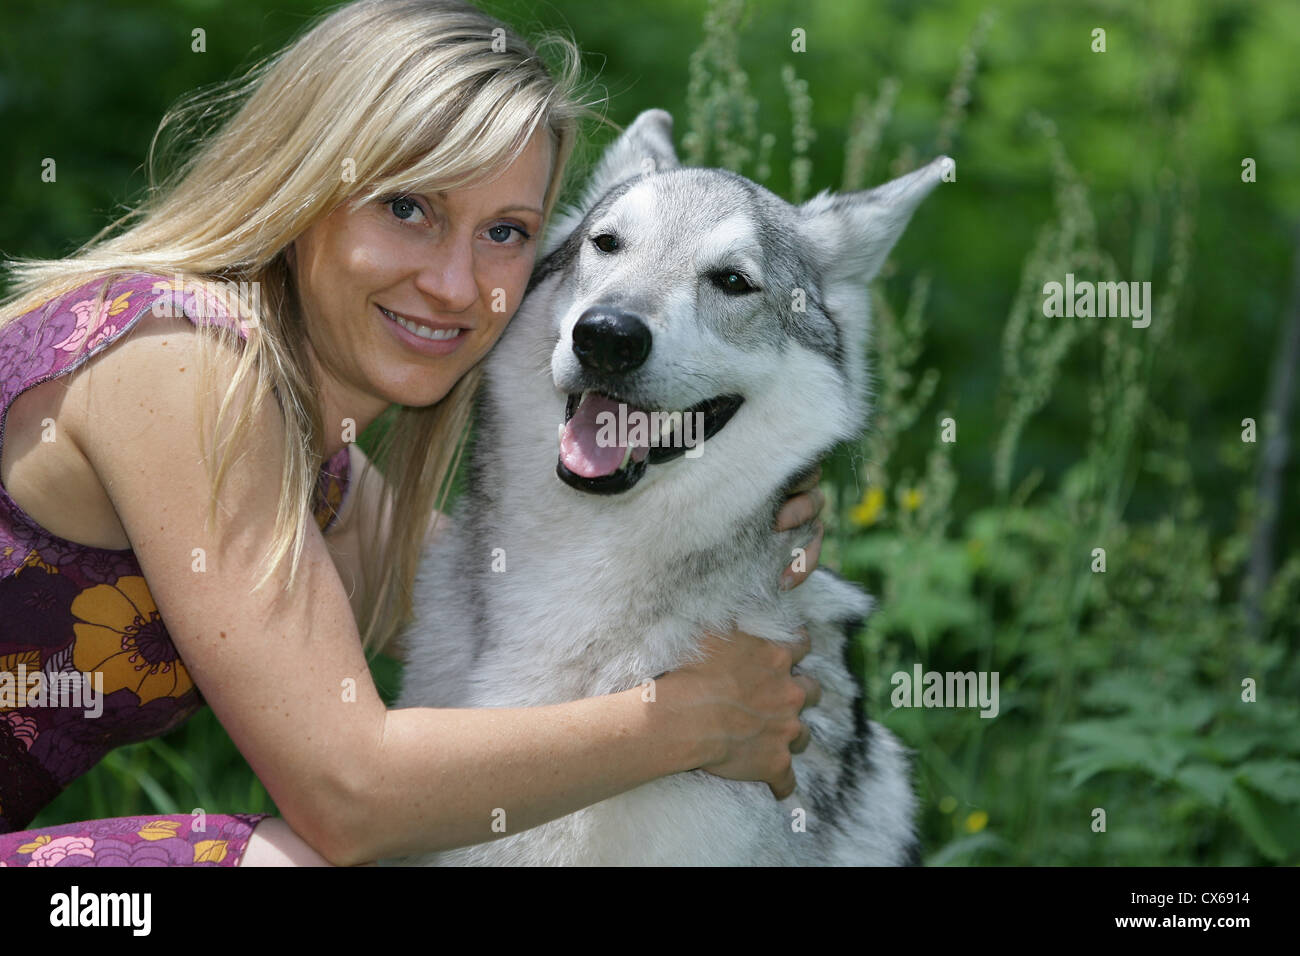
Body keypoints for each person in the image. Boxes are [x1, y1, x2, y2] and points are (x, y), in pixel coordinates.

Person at [0, 0, 827, 867]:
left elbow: (513, 593)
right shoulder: (181, 361)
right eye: (407, 209)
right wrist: (692, 720)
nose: (454, 282)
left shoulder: (317, 479)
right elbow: (353, 796)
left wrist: (746, 517)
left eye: (505, 232)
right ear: (303, 185)